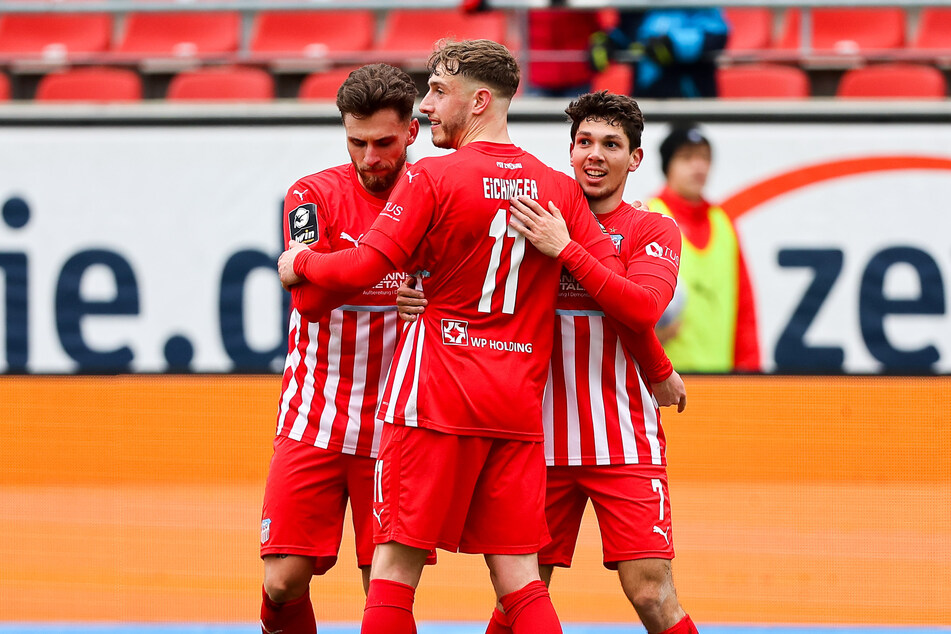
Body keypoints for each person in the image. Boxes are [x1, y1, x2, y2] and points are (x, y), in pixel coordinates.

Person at [276, 38, 650, 634]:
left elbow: (362, 267)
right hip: (517, 406)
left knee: (393, 574)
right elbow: (623, 289)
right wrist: (658, 368)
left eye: (438, 91)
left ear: (479, 101)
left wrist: (300, 263)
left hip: (433, 398)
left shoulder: (432, 175)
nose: (426, 105)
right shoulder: (557, 188)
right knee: (521, 582)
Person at [399, 91, 697, 634]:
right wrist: (416, 295)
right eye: (584, 142)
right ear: (570, 149)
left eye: (611, 144)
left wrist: (567, 249)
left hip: (622, 437)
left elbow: (642, 308)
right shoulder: (532, 219)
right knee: (518, 595)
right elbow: (462, 279)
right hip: (536, 439)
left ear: (634, 159)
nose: (595, 155)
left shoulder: (650, 229)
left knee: (651, 593)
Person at [259, 63, 421, 634]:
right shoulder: (311, 194)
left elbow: (461, 298)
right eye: (357, 142)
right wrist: (384, 276)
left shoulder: (435, 198)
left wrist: (329, 268)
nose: (370, 157)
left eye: (383, 142)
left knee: (382, 592)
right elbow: (307, 303)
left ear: (411, 133)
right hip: (315, 416)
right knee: (281, 580)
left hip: (398, 426)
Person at [649, 123, 760, 372]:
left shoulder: (724, 223)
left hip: (721, 385)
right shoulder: (648, 217)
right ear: (668, 166)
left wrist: (750, 373)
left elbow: (744, 308)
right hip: (662, 384)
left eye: (704, 158)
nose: (698, 166)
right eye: (687, 157)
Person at [590, 10, 729, 98]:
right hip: (644, 93)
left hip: (690, 92)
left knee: (688, 142)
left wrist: (672, 44)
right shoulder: (637, 8)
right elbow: (627, 33)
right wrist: (608, 43)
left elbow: (717, 33)